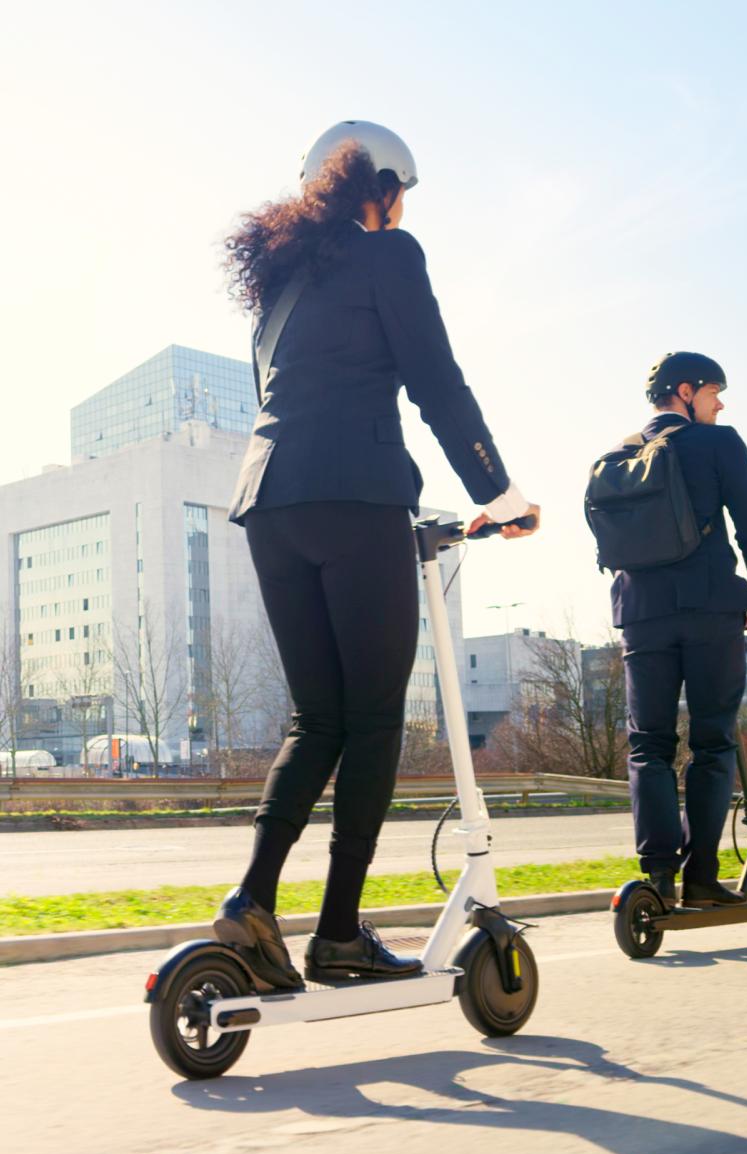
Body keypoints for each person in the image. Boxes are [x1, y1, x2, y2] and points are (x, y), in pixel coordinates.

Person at [215, 121, 540, 988]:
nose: (403, 213)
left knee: (315, 718)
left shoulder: (280, 290)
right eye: (403, 197)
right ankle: (337, 933)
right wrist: (497, 495)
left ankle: (251, 901)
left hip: (271, 508)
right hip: (355, 502)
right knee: (373, 718)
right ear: (381, 187)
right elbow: (434, 376)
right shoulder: (387, 256)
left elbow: (292, 403)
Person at [610, 352, 747, 906]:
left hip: (640, 616)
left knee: (649, 746)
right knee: (712, 742)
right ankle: (702, 879)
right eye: (714, 391)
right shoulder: (718, 443)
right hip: (710, 612)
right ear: (685, 391)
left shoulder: (615, 455)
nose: (720, 402)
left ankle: (656, 878)